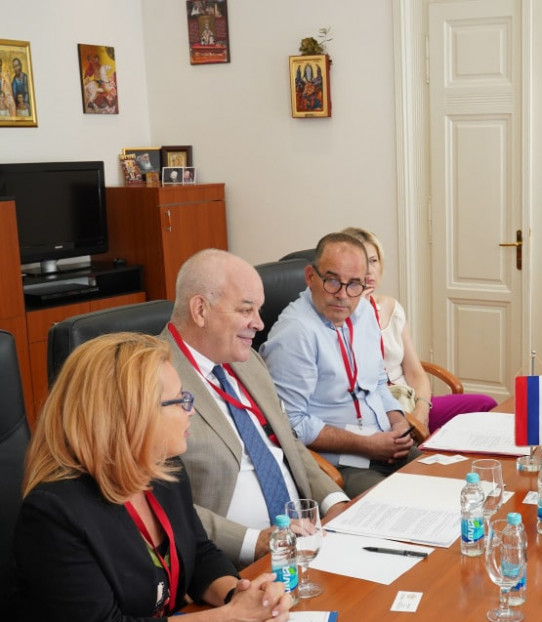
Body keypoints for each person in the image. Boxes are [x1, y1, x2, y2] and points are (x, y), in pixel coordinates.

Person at [0, 333, 292, 622]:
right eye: (179, 400)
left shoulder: (163, 469)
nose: (191, 409)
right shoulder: (54, 513)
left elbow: (199, 553)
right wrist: (232, 618)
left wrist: (243, 595)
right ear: (129, 416)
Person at [161, 249, 347, 566]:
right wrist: (254, 542)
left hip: (305, 541)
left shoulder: (248, 361)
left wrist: (335, 502)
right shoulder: (152, 378)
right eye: (247, 310)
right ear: (200, 310)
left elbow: (287, 442)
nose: (259, 324)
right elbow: (156, 499)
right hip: (229, 563)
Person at [261, 233, 419, 497]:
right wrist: (367, 444)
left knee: (446, 487)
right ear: (310, 277)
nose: (343, 296)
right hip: (339, 465)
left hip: (386, 446)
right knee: (395, 506)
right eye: (332, 281)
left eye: (354, 284)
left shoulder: (364, 312)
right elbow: (291, 424)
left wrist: (399, 422)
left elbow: (378, 382)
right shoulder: (294, 333)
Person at [343, 225, 497, 437]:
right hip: (374, 413)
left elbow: (415, 372)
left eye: (374, 261)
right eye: (361, 263)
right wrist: (356, 310)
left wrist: (422, 411)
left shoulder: (391, 307)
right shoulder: (336, 318)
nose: (369, 271)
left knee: (486, 405)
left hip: (409, 401)